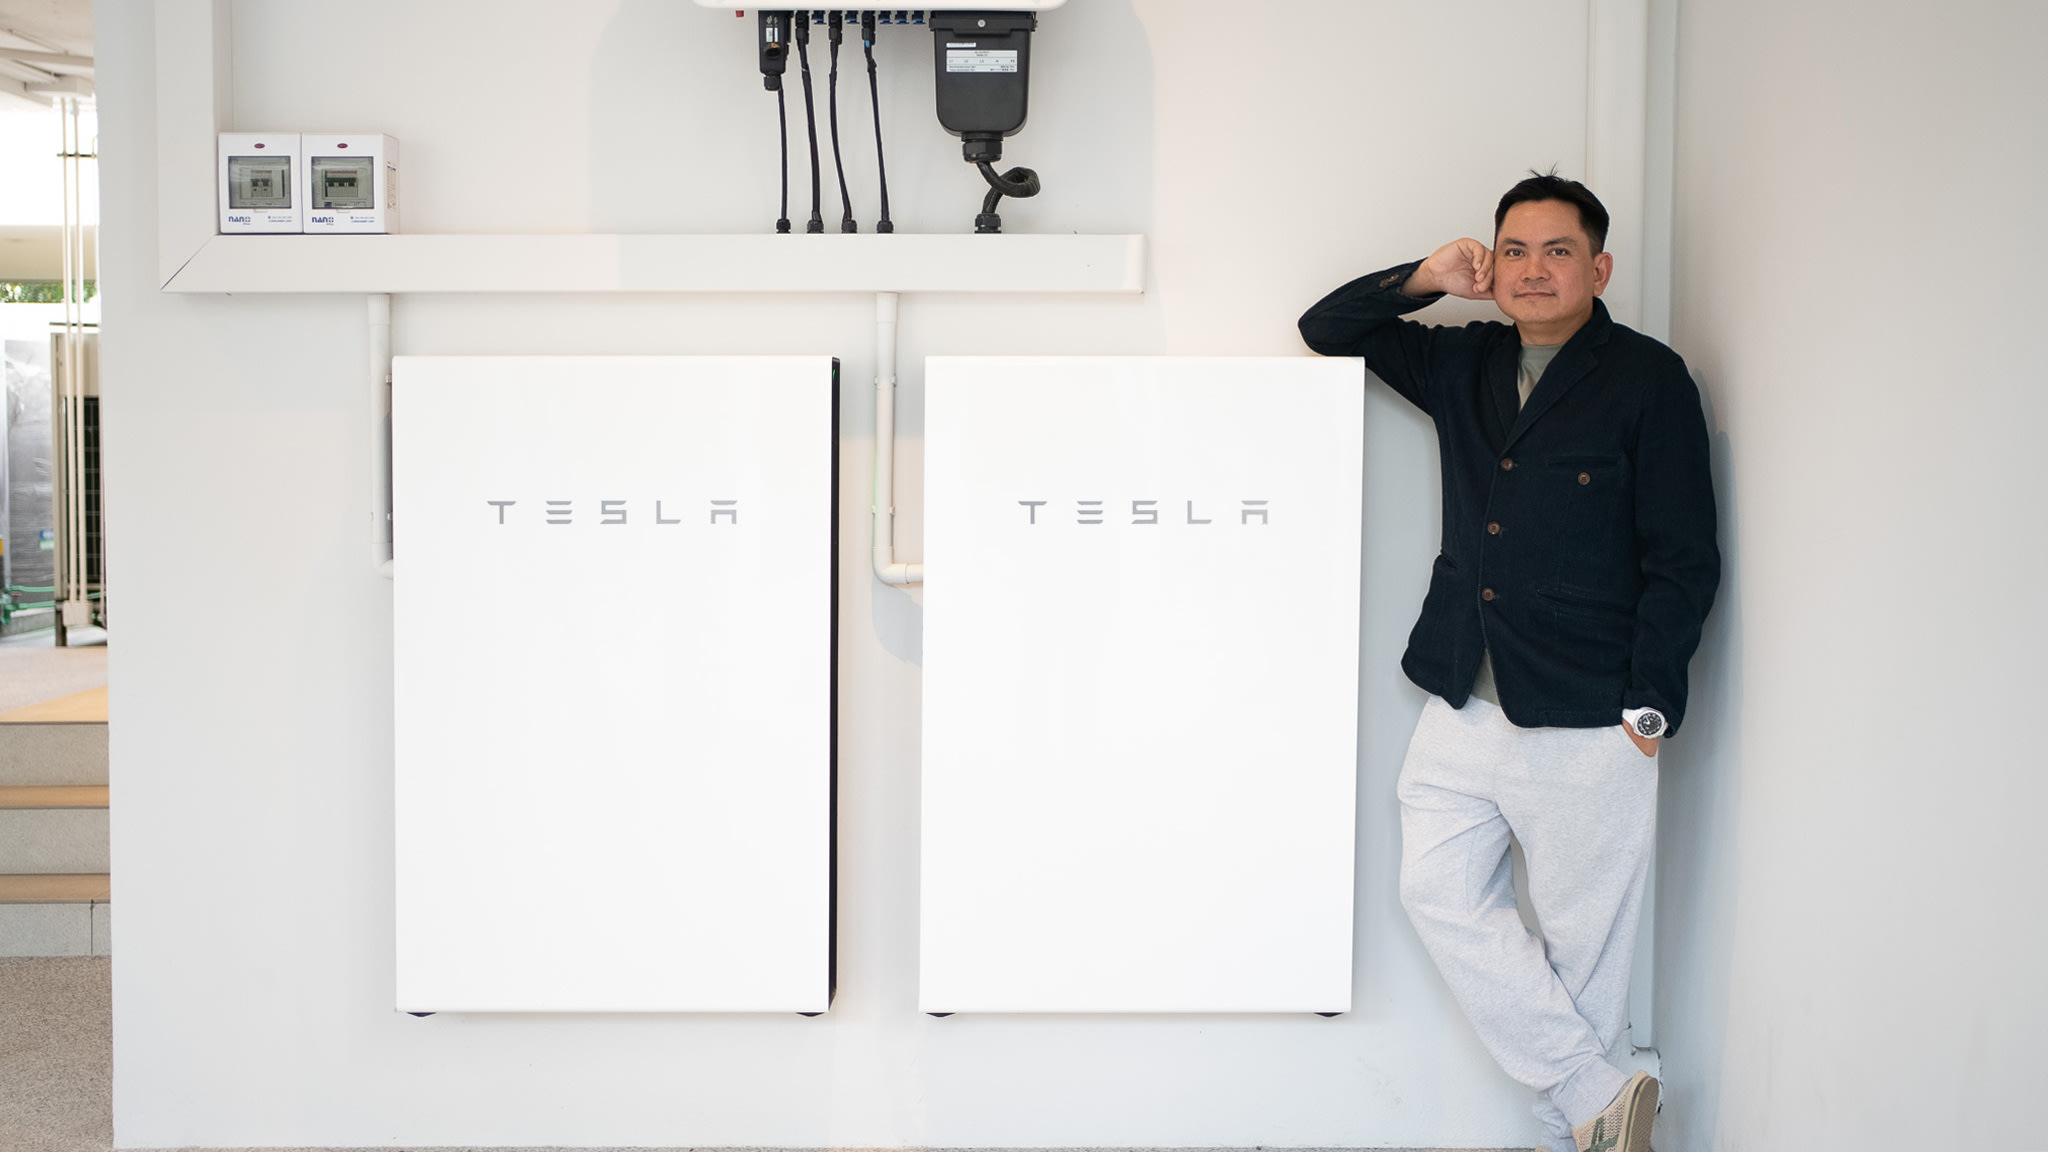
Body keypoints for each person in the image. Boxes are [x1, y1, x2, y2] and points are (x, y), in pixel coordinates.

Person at [1297, 173, 1719, 1152]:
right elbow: (1328, 328)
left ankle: (1576, 1122)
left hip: (1590, 712)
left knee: (1584, 959)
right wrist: (1426, 277)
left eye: (1557, 251)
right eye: (1514, 251)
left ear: (1597, 267)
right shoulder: (1461, 364)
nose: (1533, 270)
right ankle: (1591, 1095)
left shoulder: (1646, 380)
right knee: (1435, 892)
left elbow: (1681, 556)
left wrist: (1648, 706)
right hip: (1462, 691)